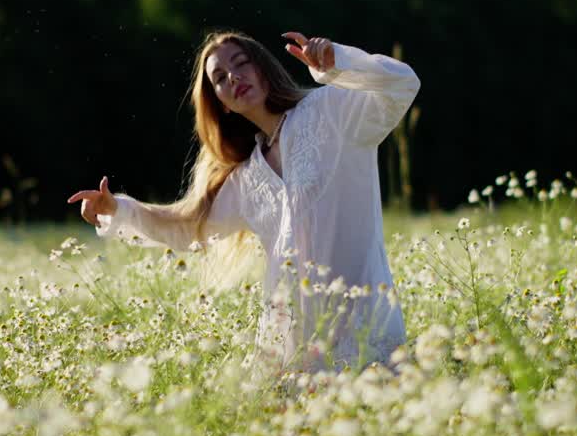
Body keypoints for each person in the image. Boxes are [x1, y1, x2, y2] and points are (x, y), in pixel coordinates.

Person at [68, 31, 421, 373]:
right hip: (294, 347)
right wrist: (116, 209)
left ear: (264, 67)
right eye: (220, 78)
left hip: (365, 326)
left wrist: (337, 63)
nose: (233, 77)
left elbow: (403, 84)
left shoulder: (331, 111)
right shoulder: (246, 177)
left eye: (241, 64)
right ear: (221, 103)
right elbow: (188, 227)